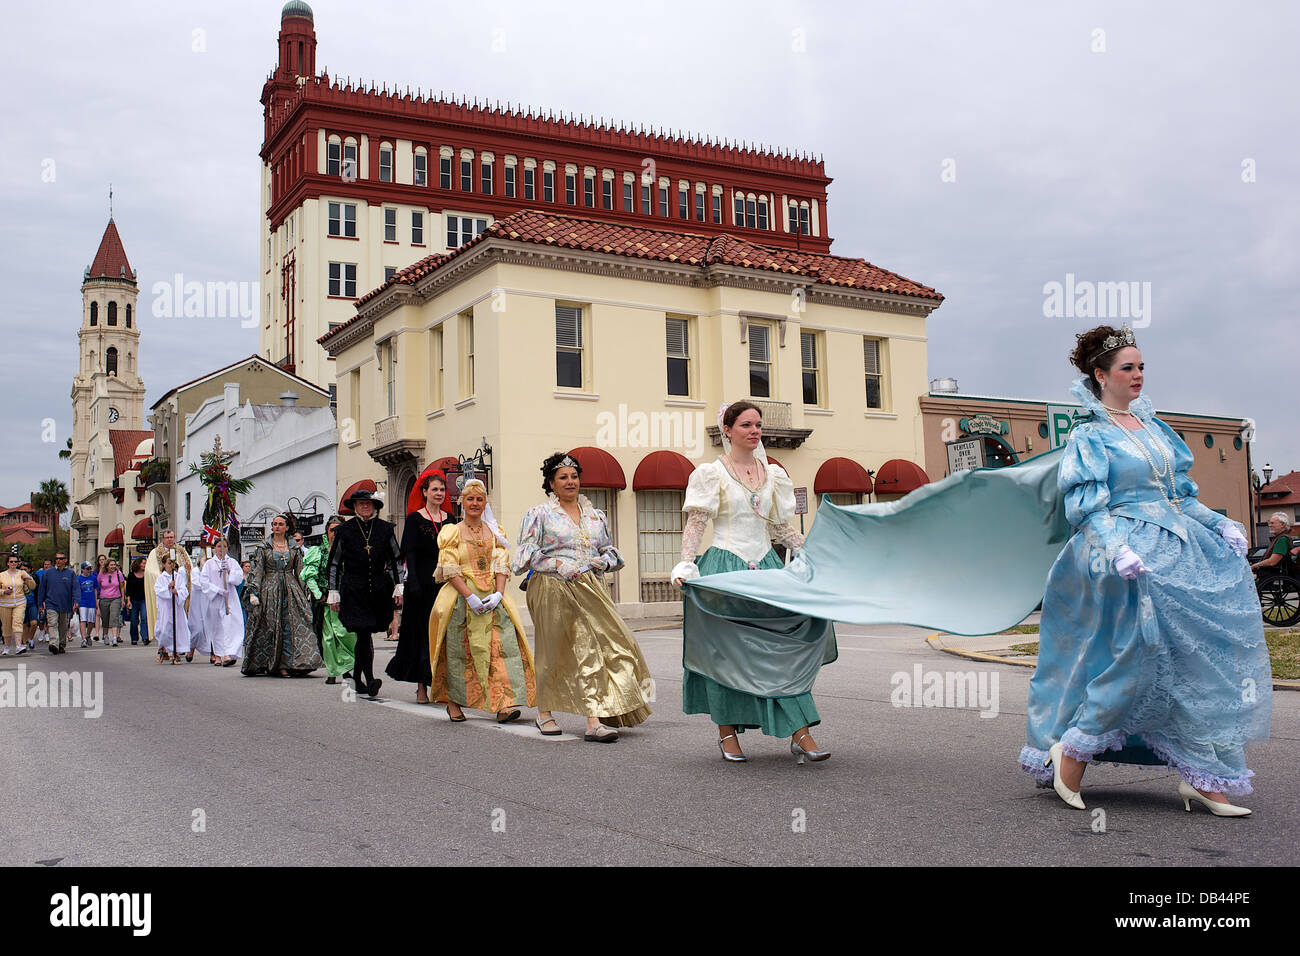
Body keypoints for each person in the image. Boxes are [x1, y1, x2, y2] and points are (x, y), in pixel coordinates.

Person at [1020, 325, 1272, 816]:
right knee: (1135, 657)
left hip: (1176, 550)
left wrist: (1220, 524)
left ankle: (1205, 777)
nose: (1138, 375)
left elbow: (1179, 498)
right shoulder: (1090, 436)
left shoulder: (1155, 430)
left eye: (1141, 367)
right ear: (1100, 375)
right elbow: (1087, 507)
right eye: (1127, 368)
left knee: (1195, 663)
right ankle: (1070, 754)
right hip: (1119, 558)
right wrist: (1116, 549)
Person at [671, 401, 835, 764]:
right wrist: (685, 564)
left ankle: (801, 731)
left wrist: (812, 552)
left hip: (766, 568)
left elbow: (778, 527)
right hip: (724, 570)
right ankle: (727, 732)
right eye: (746, 424)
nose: (754, 430)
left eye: (758, 424)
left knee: (780, 651)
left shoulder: (773, 475)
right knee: (725, 654)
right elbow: (696, 523)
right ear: (727, 430)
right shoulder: (711, 473)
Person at [513, 453, 653, 741]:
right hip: (552, 585)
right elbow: (524, 555)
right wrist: (557, 564)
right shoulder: (540, 514)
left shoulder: (595, 515)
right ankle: (545, 713)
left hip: (590, 587)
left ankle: (596, 717)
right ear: (551, 483)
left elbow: (610, 551)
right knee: (553, 650)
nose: (570, 482)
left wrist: (604, 561)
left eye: (574, 476)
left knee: (606, 644)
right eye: (563, 477)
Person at [429, 478, 536, 722]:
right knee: (461, 652)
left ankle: (503, 704)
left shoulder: (494, 530)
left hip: (492, 597)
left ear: (485, 502)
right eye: (470, 499)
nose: (475, 503)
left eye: (479, 499)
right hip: (461, 599)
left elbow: (500, 563)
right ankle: (454, 702)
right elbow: (449, 567)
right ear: (462, 503)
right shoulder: (452, 532)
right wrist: (470, 597)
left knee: (500, 648)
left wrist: (498, 593)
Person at [327, 488, 400, 699]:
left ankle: (356, 679)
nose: (364, 506)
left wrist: (398, 585)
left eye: (368, 503)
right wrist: (333, 591)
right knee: (363, 632)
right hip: (353, 589)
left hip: (378, 589)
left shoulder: (385, 529)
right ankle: (369, 679)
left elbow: (395, 558)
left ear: (375, 506)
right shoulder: (345, 530)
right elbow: (334, 563)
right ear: (355, 507)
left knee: (365, 633)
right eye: (360, 503)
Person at [387, 468, 450, 704]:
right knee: (422, 635)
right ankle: (421, 687)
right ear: (424, 492)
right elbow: (410, 554)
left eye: (442, 489)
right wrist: (411, 583)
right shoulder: (414, 519)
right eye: (434, 489)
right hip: (421, 586)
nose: (439, 493)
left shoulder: (451, 520)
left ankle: (442, 686)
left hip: (445, 585)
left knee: (443, 636)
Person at [242, 514, 321, 677]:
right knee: (271, 626)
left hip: (291, 588)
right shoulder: (263, 547)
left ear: (286, 528)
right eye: (274, 524)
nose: (276, 526)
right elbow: (257, 570)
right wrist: (253, 591)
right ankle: (273, 664)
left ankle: (296, 662)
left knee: (296, 625)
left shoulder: (294, 548)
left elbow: (301, 571)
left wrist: (307, 590)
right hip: (270, 589)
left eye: (280, 524)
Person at [302, 516, 356, 685]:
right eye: (332, 530)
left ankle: (347, 668)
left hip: (346, 600)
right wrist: (319, 595)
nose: (335, 533)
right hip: (326, 602)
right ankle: (332, 671)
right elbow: (309, 576)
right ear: (327, 532)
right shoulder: (318, 552)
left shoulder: (351, 551)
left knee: (347, 635)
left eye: (339, 530)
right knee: (329, 638)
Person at [197, 537, 245, 666]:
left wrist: (229, 571)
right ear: (214, 548)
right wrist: (217, 590)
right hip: (215, 599)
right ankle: (217, 655)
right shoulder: (209, 564)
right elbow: (204, 581)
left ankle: (228, 653)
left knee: (229, 625)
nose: (221, 549)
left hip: (229, 598)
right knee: (217, 627)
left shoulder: (232, 562)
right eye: (219, 546)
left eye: (224, 546)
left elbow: (239, 579)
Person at [144, 531, 194, 647]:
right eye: (167, 537)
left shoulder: (181, 551)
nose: (170, 540)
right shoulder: (155, 552)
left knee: (179, 624)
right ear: (163, 539)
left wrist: (180, 578)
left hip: (178, 595)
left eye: (172, 537)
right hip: (165, 598)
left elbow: (188, 567)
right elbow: (150, 571)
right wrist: (165, 579)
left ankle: (177, 647)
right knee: (165, 624)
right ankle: (164, 648)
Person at [153, 552, 190, 664]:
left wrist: (177, 592)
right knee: (165, 629)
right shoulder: (161, 578)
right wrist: (168, 588)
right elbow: (158, 591)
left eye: (172, 563)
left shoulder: (178, 576)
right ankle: (163, 648)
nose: (170, 565)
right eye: (169, 563)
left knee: (177, 629)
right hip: (166, 607)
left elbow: (184, 590)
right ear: (164, 564)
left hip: (177, 608)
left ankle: (175, 652)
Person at [37, 554, 76, 653]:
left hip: (65, 604)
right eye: (57, 558)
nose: (58, 560)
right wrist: (40, 603)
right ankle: (53, 643)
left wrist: (76, 601)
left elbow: (75, 588)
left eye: (61, 558)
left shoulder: (70, 573)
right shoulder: (48, 573)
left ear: (65, 560)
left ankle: (61, 644)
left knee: (63, 626)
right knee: (52, 623)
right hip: (51, 603)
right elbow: (42, 589)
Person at [1, 548, 35, 656]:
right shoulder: (2, 575)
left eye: (15, 561)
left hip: (19, 602)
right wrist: (4, 591)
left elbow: (33, 587)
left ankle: (18, 646)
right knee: (6, 625)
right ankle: (6, 647)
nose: (13, 563)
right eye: (11, 561)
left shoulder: (22, 573)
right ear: (7, 563)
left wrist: (29, 578)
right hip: (5, 604)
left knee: (18, 622)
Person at [96, 558, 126, 647]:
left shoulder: (118, 574)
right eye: (111, 565)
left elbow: (122, 587)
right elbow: (97, 586)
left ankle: (115, 638)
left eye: (114, 565)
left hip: (116, 598)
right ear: (107, 566)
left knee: (114, 617)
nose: (113, 567)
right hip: (104, 598)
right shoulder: (101, 574)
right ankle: (105, 635)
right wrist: (97, 599)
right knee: (105, 618)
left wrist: (122, 599)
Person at [126, 557, 148, 645]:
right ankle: (134, 638)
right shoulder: (131, 575)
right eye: (143, 563)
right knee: (134, 620)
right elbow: (128, 589)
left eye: (145, 563)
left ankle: (145, 637)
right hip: (133, 600)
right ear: (138, 564)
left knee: (144, 618)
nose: (144, 565)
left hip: (143, 599)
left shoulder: (147, 574)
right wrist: (128, 600)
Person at [75, 562, 98, 648]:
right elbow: (77, 591)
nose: (89, 571)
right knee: (83, 619)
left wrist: (96, 602)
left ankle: (88, 634)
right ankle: (83, 638)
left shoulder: (93, 578)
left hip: (91, 601)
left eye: (90, 569)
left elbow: (95, 590)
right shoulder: (79, 579)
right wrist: (76, 602)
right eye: (87, 569)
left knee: (91, 621)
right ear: (83, 569)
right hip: (83, 601)